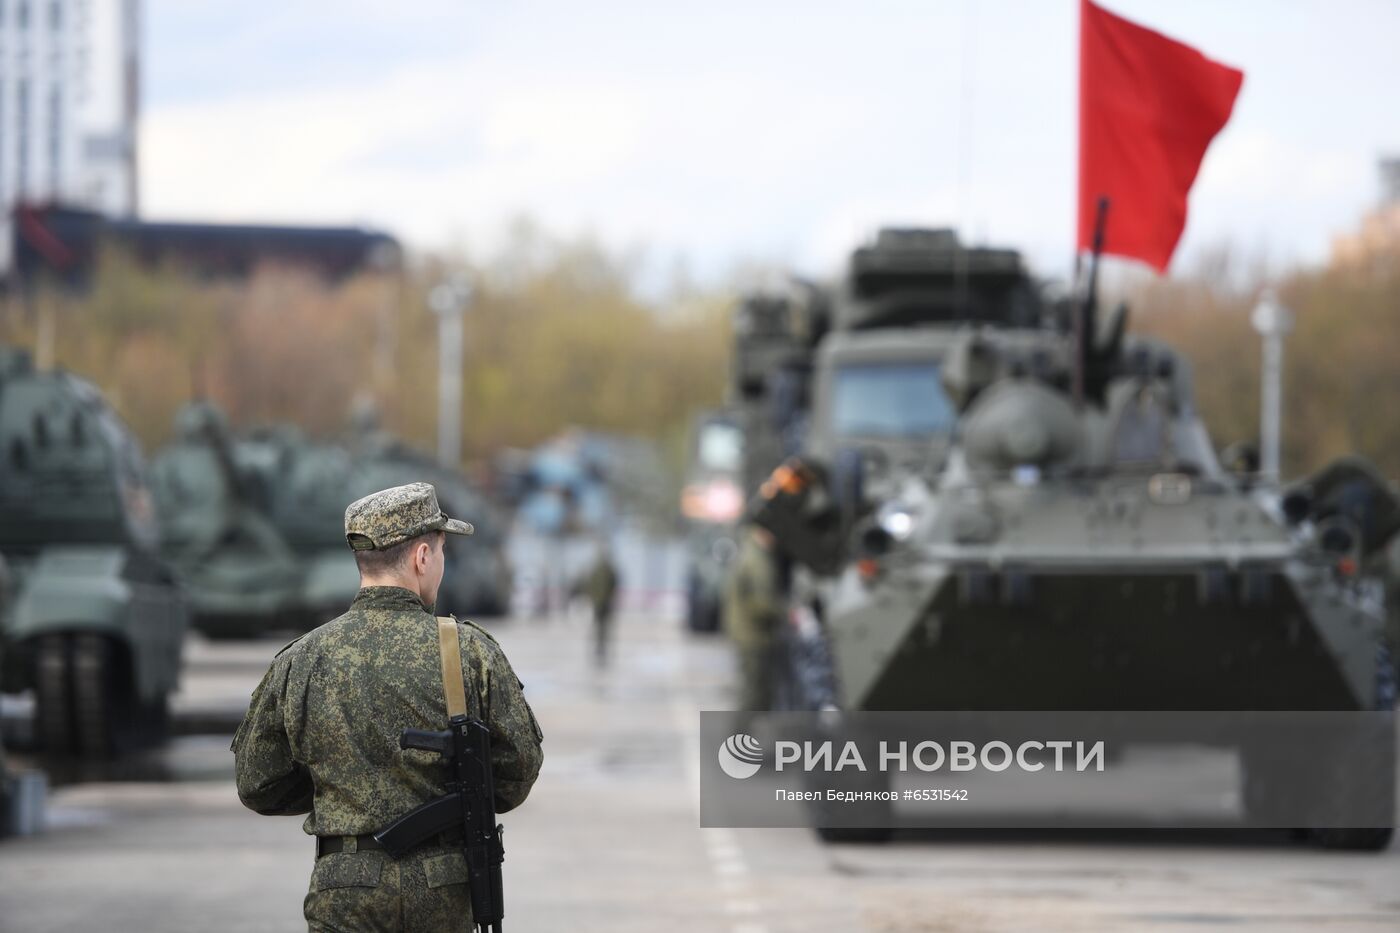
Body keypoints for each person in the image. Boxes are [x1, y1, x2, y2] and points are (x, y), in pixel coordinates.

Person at [232, 482, 543, 931]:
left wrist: (335, 787)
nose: (441, 564)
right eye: (440, 551)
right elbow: (518, 770)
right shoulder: (469, 653)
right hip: (444, 885)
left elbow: (257, 782)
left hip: (344, 885)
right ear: (420, 557)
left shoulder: (301, 659)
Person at [722, 524, 787, 711]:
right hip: (754, 636)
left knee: (754, 694)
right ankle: (739, 738)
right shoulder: (757, 560)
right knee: (753, 695)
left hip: (747, 634)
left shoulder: (750, 553)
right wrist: (786, 612)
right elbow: (762, 603)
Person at [582, 540, 620, 666]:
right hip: (599, 602)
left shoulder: (607, 570)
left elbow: (613, 584)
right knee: (599, 627)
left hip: (604, 602)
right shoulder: (600, 570)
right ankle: (598, 648)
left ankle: (602, 648)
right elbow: (591, 585)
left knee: (603, 627)